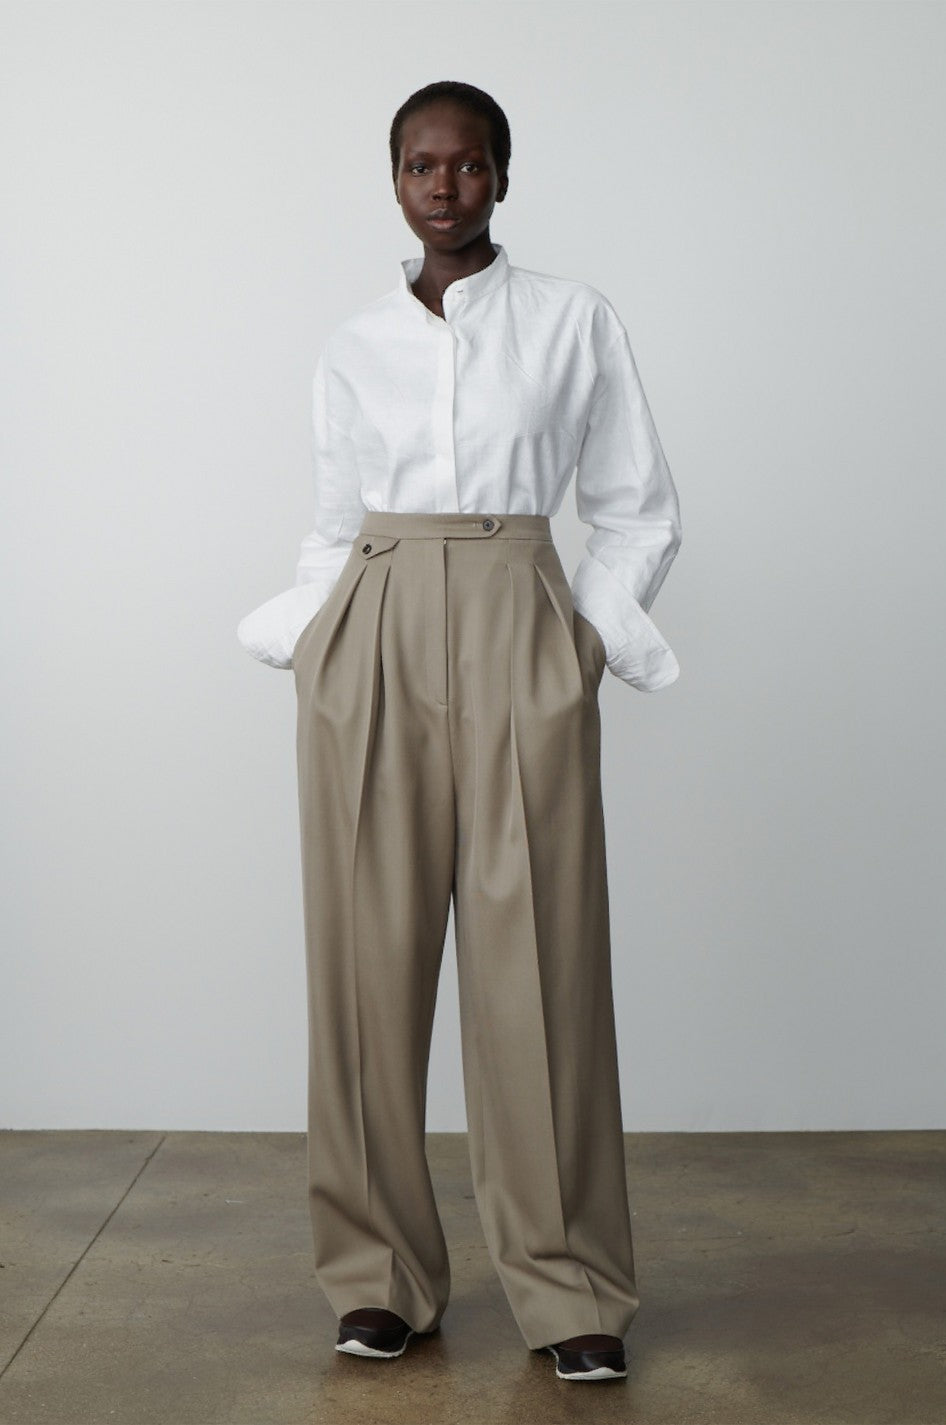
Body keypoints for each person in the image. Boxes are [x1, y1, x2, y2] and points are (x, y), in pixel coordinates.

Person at [237, 80, 682, 1385]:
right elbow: (334, 522)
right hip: (371, 629)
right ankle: (377, 1278)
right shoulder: (353, 344)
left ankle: (569, 1282)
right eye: (421, 166)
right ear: (395, 181)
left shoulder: (572, 320)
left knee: (539, 963)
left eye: (469, 163)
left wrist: (581, 639)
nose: (444, 186)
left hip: (516, 621)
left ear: (501, 176)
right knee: (364, 969)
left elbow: (636, 504)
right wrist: (313, 641)